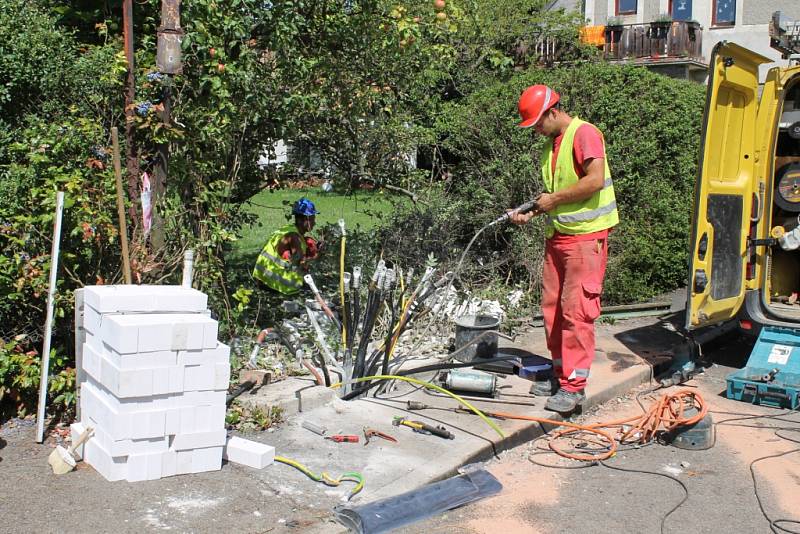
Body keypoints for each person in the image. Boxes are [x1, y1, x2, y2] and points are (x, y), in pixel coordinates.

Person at [510, 84, 619, 414]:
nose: (537, 130)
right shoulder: (551, 146)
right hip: (559, 235)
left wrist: (552, 200)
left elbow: (594, 181)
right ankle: (560, 374)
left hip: (585, 239)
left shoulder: (584, 134)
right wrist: (533, 210)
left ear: (553, 112)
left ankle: (574, 388)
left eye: (539, 123)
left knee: (576, 312)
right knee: (553, 310)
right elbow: (558, 194)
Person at [253, 197, 321, 295]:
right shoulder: (294, 238)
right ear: (304, 220)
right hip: (278, 285)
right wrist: (317, 254)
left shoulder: (287, 229)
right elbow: (302, 264)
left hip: (262, 279)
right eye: (312, 219)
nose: (314, 223)